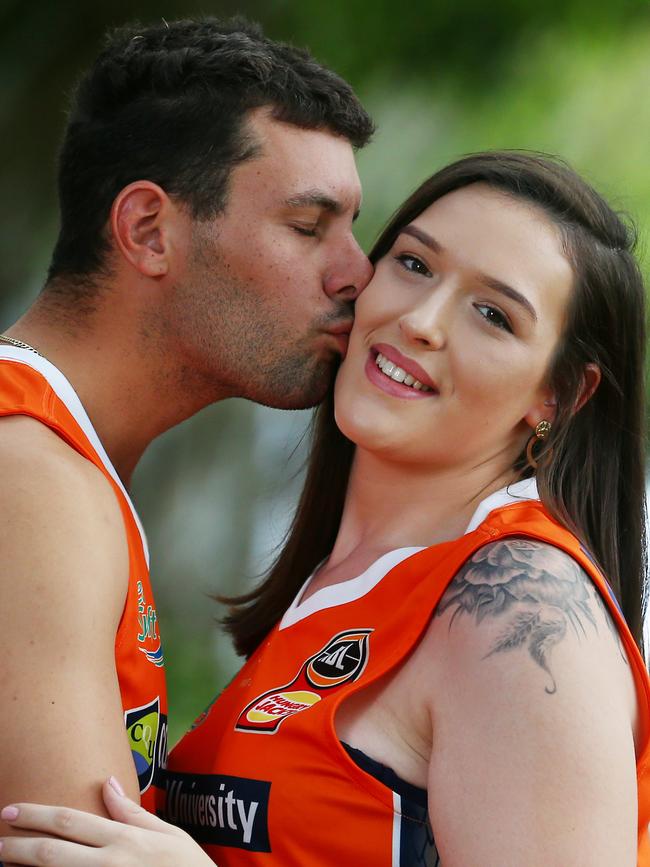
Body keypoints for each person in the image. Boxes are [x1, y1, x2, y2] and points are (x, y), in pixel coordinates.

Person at [1, 151, 648, 866]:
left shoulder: (524, 615)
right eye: (414, 265)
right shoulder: (340, 584)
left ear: (558, 395)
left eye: (492, 315)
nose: (422, 320)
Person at [0, 14, 373, 834]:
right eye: (309, 227)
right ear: (147, 230)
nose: (358, 273)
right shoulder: (30, 479)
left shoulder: (59, 460)